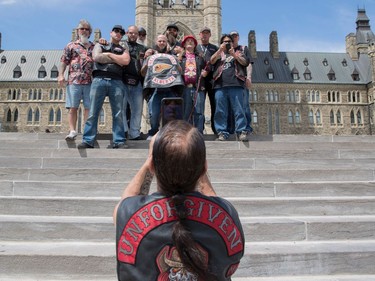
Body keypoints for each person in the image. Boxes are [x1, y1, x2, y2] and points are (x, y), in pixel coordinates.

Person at [113, 120, 245, 281]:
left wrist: (149, 161)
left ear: (153, 166)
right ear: (204, 168)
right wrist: (195, 162)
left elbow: (126, 202)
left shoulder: (127, 213)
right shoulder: (228, 214)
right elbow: (215, 206)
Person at [77, 25, 130, 149]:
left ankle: (119, 141)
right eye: (116, 31)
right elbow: (96, 57)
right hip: (99, 80)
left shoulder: (123, 48)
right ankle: (88, 140)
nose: (118, 33)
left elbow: (126, 61)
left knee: (118, 113)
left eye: (121, 32)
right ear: (111, 33)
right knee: (93, 112)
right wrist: (117, 59)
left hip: (116, 81)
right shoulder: (100, 45)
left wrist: (109, 55)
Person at [141, 34, 184, 139]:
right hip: (156, 89)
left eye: (164, 41)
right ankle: (153, 132)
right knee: (154, 114)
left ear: (166, 43)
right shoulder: (150, 57)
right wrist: (147, 63)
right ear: (156, 42)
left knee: (171, 114)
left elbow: (180, 72)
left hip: (170, 89)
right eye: (160, 41)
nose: (161, 43)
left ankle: (170, 134)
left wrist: (177, 62)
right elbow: (142, 73)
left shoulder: (172, 57)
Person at [58, 19, 95, 140]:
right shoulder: (71, 45)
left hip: (90, 81)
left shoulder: (94, 47)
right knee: (73, 107)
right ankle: (72, 130)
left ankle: (87, 130)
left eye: (86, 29)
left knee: (88, 108)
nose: (84, 31)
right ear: (78, 31)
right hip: (74, 81)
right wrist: (61, 75)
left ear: (90, 32)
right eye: (82, 29)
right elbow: (64, 61)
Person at [210, 34, 249, 142]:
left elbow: (245, 62)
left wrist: (234, 55)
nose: (227, 43)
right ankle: (222, 133)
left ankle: (241, 131)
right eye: (224, 42)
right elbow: (211, 61)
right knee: (220, 111)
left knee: (239, 110)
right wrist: (219, 51)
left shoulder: (239, 51)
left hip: (236, 84)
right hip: (220, 85)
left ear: (232, 43)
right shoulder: (219, 54)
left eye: (229, 41)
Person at [177, 35, 209, 134]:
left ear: (195, 45)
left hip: (197, 88)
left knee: (199, 112)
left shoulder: (199, 57)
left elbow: (208, 67)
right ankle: (186, 134)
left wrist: (206, 72)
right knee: (186, 112)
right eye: (188, 41)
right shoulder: (180, 58)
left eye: (192, 41)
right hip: (185, 88)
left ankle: (199, 133)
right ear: (184, 44)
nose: (190, 42)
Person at [122, 25, 147, 140]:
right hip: (122, 81)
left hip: (137, 82)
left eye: (135, 33)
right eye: (131, 33)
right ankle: (123, 131)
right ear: (127, 33)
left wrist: (151, 50)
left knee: (137, 109)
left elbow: (153, 52)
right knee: (121, 109)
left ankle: (134, 133)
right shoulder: (121, 45)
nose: (133, 35)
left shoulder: (142, 48)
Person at [197, 27, 219, 134]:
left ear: (210, 35)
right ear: (200, 35)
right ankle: (199, 129)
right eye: (203, 33)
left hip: (212, 80)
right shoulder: (196, 48)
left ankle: (216, 129)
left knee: (214, 105)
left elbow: (219, 64)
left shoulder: (214, 48)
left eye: (207, 33)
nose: (205, 35)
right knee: (199, 105)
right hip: (200, 80)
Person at [230, 30, 253, 134]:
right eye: (231, 36)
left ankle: (247, 129)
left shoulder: (243, 49)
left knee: (244, 106)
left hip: (241, 81)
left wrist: (249, 77)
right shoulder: (226, 51)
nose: (233, 38)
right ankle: (234, 129)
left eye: (235, 36)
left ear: (238, 37)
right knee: (233, 107)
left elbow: (249, 64)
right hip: (231, 83)